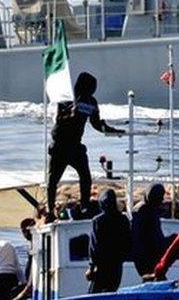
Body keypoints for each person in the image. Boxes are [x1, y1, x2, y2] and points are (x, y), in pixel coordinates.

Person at [46, 72, 124, 222]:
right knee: (53, 180)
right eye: (90, 86)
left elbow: (96, 123)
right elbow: (60, 119)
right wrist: (72, 113)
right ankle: (50, 210)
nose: (92, 90)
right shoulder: (67, 98)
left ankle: (85, 206)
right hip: (60, 145)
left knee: (86, 177)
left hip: (76, 146)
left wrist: (112, 130)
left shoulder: (91, 102)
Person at [87, 189, 131, 293]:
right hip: (117, 267)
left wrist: (92, 267)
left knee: (93, 297)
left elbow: (94, 246)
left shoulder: (98, 221)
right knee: (111, 293)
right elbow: (128, 242)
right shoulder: (123, 220)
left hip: (101, 267)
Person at [132, 184, 169, 277]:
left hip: (150, 252)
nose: (161, 200)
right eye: (160, 197)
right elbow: (148, 236)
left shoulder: (149, 208)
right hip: (147, 255)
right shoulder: (144, 210)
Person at [10, 218, 37, 300]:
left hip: (32, 284)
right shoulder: (33, 244)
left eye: (24, 232)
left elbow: (34, 268)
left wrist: (27, 288)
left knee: (12, 297)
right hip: (29, 282)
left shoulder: (36, 244)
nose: (24, 235)